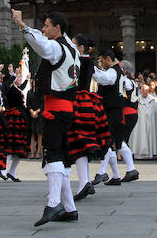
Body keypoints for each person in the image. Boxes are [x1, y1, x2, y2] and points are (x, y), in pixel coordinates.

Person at [12, 9, 81, 226]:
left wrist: (22, 25)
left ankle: (53, 204)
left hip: (56, 109)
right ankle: (69, 208)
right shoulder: (71, 49)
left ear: (58, 28)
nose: (44, 29)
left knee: (52, 156)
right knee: (60, 157)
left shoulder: (58, 48)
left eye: (47, 25)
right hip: (65, 109)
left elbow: (42, 45)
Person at [66, 34, 112, 202]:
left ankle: (82, 182)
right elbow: (102, 79)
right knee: (82, 143)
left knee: (77, 142)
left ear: (81, 47)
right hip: (88, 103)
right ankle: (84, 182)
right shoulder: (90, 63)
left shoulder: (75, 61)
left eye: (73, 44)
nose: (70, 46)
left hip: (76, 102)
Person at [93, 51, 140, 182]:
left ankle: (103, 172)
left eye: (102, 61)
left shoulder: (115, 73)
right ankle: (122, 173)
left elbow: (106, 80)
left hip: (119, 112)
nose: (101, 63)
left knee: (109, 141)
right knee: (118, 141)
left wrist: (91, 68)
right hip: (120, 111)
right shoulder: (121, 75)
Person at [0, 66, 30, 182]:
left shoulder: (16, 88)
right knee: (11, 146)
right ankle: (3, 169)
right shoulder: (10, 89)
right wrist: (13, 74)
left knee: (19, 148)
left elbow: (21, 87)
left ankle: (11, 172)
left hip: (20, 118)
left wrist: (26, 79)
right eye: (18, 78)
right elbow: (7, 85)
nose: (19, 78)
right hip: (14, 118)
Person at [130, 83, 157, 160]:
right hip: (139, 123)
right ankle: (138, 154)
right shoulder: (137, 100)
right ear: (141, 91)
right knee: (139, 136)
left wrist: (148, 115)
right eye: (143, 90)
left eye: (147, 90)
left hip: (149, 122)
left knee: (149, 135)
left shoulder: (152, 100)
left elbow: (155, 112)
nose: (145, 92)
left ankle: (149, 154)